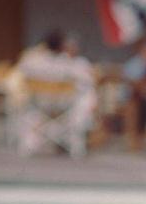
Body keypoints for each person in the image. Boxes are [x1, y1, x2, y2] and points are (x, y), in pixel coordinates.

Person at [11, 28, 97, 157]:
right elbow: (88, 80)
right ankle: (74, 138)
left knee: (27, 105)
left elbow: (20, 73)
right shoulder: (70, 64)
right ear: (63, 45)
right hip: (64, 106)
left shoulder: (32, 63)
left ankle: (30, 143)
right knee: (86, 96)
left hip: (39, 105)